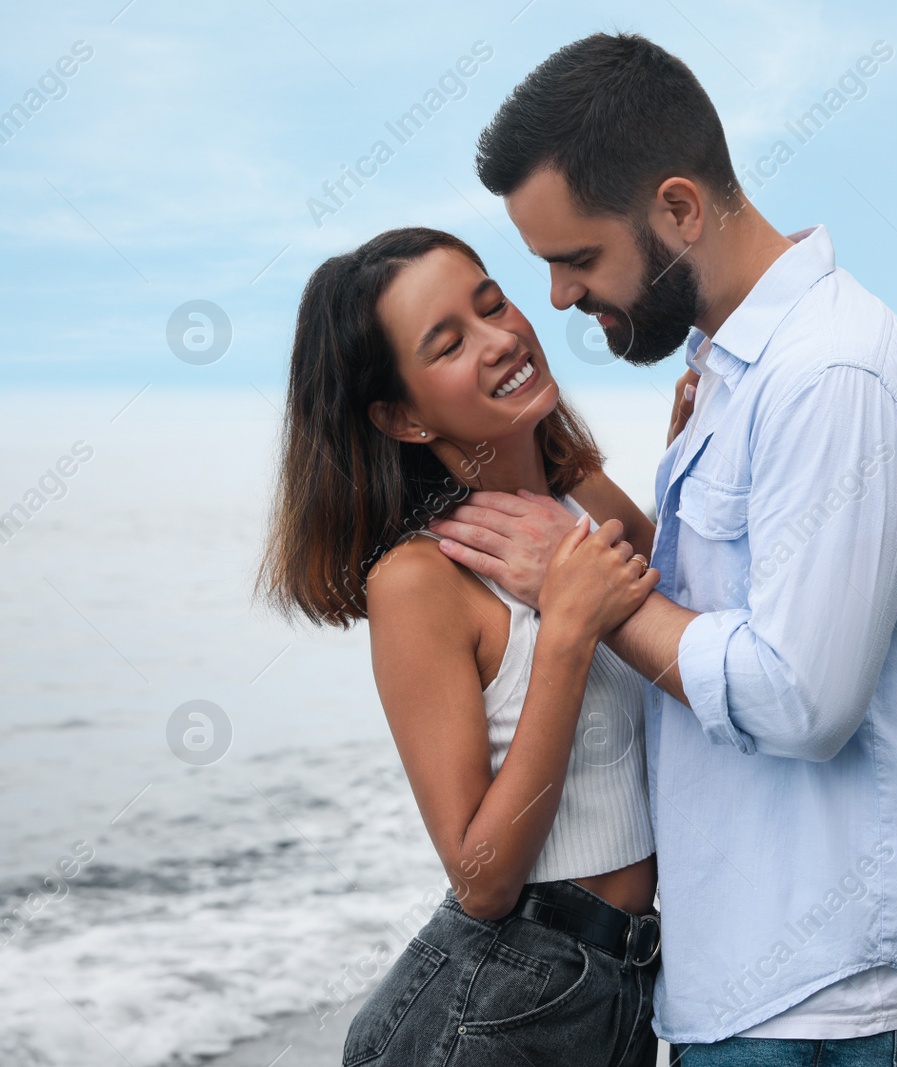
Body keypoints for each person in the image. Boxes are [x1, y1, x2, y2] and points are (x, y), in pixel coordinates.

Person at [432, 32, 897, 1064]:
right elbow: (731, 605)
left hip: (817, 986)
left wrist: (581, 599)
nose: (558, 297)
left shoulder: (831, 376)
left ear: (679, 209)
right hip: (752, 966)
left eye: (576, 258)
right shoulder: (731, 371)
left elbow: (800, 696)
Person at [257, 226, 676, 1067]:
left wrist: (692, 458)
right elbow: (481, 877)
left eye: (492, 303)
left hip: (632, 984)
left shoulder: (582, 495)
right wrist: (562, 632)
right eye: (449, 342)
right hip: (502, 1002)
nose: (500, 339)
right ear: (401, 415)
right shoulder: (417, 580)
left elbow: (677, 628)